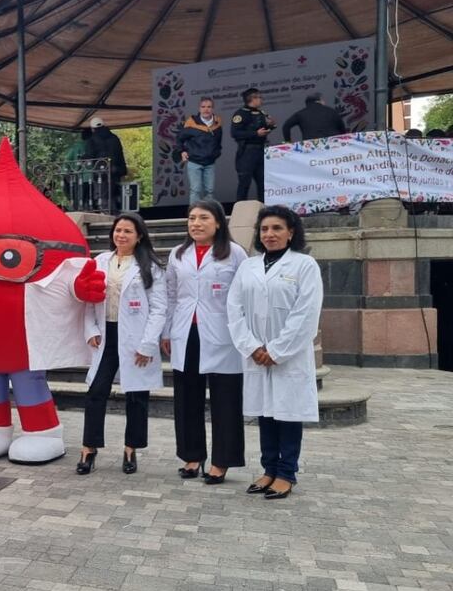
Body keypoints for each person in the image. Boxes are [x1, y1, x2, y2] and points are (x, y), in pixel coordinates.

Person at [227, 206, 323, 499]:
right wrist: (252, 347)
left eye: (277, 228)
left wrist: (277, 350)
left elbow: (306, 313)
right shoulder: (248, 266)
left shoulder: (305, 265)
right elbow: (234, 309)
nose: (270, 234)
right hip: (256, 353)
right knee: (265, 412)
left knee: (287, 413)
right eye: (265, 229)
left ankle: (286, 473)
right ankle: (268, 469)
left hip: (288, 356)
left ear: (291, 232)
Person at [162, 200, 248, 484]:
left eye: (203, 218)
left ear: (219, 223)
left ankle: (222, 460)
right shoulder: (178, 254)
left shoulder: (235, 254)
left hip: (223, 334)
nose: (196, 223)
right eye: (191, 218)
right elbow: (171, 295)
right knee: (187, 398)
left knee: (225, 398)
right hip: (186, 332)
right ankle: (192, 456)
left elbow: (245, 296)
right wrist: (166, 331)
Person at [78, 214, 166, 475]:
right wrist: (90, 329)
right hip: (107, 335)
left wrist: (148, 344)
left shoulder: (150, 266)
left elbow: (159, 309)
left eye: (128, 231)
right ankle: (88, 448)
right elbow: (88, 299)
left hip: (137, 337)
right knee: (96, 391)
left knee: (137, 395)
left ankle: (131, 448)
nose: (122, 235)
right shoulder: (99, 262)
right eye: (118, 230)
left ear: (139, 236)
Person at [231, 88, 276, 201]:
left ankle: (264, 209)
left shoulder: (262, 113)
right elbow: (235, 133)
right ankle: (240, 209)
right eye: (259, 97)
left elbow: (264, 128)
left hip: (261, 151)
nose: (261, 100)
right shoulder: (240, 114)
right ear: (252, 98)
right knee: (244, 182)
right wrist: (255, 134)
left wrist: (271, 125)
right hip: (247, 152)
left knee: (263, 182)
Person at [176, 97, 223, 204]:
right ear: (199, 108)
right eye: (203, 107)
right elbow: (179, 138)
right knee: (195, 190)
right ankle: (193, 216)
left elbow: (218, 142)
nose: (206, 109)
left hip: (210, 162)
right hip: (194, 162)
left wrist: (216, 153)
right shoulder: (191, 123)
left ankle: (209, 214)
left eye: (209, 107)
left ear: (213, 109)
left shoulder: (217, 123)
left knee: (209, 191)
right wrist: (182, 151)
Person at [86, 117, 128, 213]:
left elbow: (90, 155)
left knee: (101, 194)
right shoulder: (114, 138)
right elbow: (120, 154)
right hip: (115, 170)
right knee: (113, 193)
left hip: (100, 171)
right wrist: (122, 169)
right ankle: (116, 213)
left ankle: (107, 215)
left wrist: (84, 159)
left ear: (92, 128)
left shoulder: (92, 140)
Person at [281, 93, 347, 142]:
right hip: (333, 142)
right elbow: (341, 127)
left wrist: (288, 142)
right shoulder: (331, 111)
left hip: (312, 144)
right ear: (319, 101)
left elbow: (286, 126)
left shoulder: (300, 114)